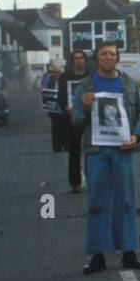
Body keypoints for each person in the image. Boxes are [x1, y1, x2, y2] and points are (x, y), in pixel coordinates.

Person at [70, 41, 140, 274]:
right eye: (104, 54)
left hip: (123, 151)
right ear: (96, 59)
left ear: (117, 58)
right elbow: (75, 123)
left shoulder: (129, 84)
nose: (108, 57)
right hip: (97, 152)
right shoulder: (84, 86)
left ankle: (129, 252)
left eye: (112, 54)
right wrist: (84, 108)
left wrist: (136, 136)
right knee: (97, 203)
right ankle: (97, 255)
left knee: (125, 202)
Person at [61, 50, 89, 192]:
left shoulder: (90, 76)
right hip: (72, 117)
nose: (79, 60)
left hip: (89, 117)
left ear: (85, 60)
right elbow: (60, 97)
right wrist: (66, 107)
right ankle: (75, 182)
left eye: (81, 58)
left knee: (92, 149)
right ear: (72, 61)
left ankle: (93, 178)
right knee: (74, 150)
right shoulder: (65, 77)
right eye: (76, 58)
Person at [42, 60, 67, 152]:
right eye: (55, 72)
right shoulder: (48, 79)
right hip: (53, 108)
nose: (57, 74)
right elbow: (44, 91)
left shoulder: (65, 80)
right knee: (55, 127)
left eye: (59, 72)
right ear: (52, 72)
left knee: (65, 127)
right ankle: (57, 147)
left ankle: (66, 145)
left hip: (63, 107)